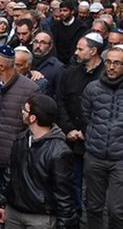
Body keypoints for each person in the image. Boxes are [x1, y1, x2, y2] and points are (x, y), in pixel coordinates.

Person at [0, 94, 78, 229]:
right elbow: (10, 174)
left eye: (26, 110)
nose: (22, 111)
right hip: (13, 213)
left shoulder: (59, 152)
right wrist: (2, 204)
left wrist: (65, 224)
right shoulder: (20, 140)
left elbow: (64, 194)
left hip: (41, 219)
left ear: (33, 118)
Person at [57, 32, 105, 212]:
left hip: (96, 143)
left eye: (80, 49)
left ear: (93, 51)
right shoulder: (70, 73)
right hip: (72, 141)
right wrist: (69, 129)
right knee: (72, 184)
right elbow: (61, 102)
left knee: (95, 189)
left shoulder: (105, 77)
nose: (75, 53)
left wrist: (88, 131)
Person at [0, 46, 38, 184]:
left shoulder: (30, 89)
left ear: (1, 66)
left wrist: (19, 148)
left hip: (14, 161)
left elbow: (33, 124)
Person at [82, 45, 123, 229]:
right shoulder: (92, 88)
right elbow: (86, 115)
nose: (112, 67)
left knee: (116, 209)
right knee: (93, 206)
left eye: (117, 63)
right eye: (109, 62)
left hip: (120, 160)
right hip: (95, 155)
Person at [52, 0, 89, 65]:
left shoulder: (81, 27)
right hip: (58, 62)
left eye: (65, 11)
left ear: (72, 11)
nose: (62, 13)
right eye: (61, 10)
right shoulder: (55, 26)